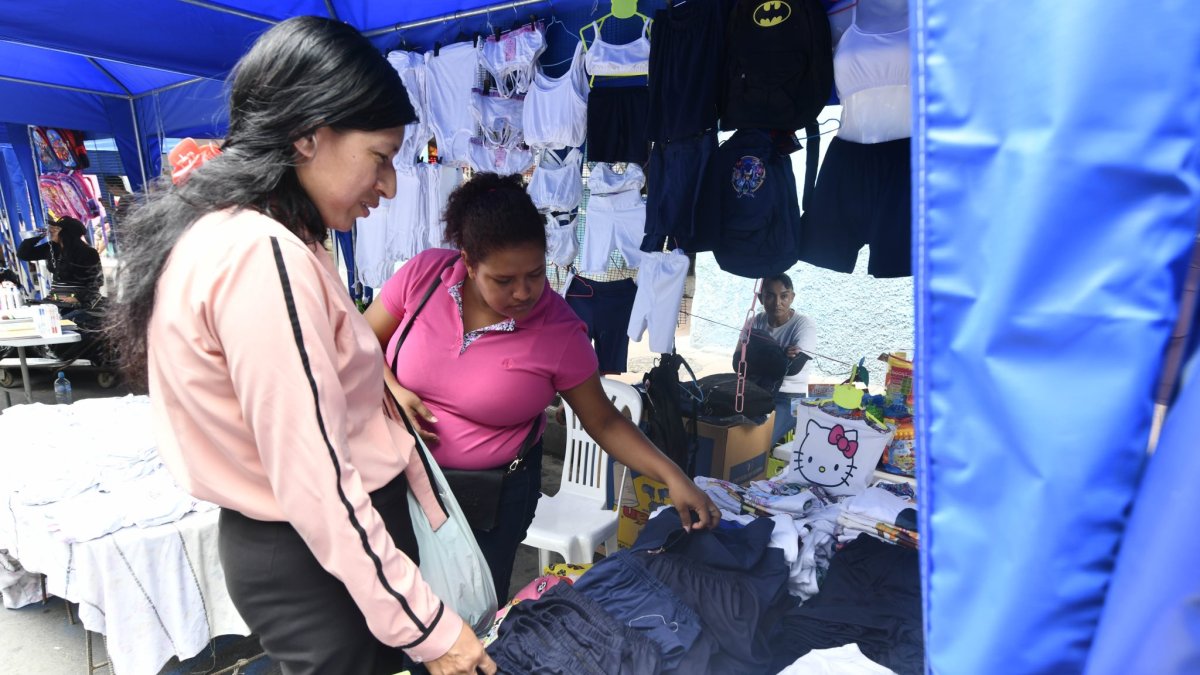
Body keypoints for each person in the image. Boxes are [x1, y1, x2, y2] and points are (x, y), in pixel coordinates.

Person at [106, 17, 494, 675]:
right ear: (310, 135)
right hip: (321, 557)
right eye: (381, 157)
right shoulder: (264, 256)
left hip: (306, 552)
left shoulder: (234, 236)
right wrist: (431, 628)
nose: (391, 185)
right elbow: (317, 482)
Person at [363, 172, 720, 603]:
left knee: (464, 609)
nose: (524, 292)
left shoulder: (560, 331)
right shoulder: (425, 276)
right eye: (504, 280)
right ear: (469, 263)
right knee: (390, 600)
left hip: (487, 501)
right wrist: (392, 389)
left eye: (535, 274)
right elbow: (361, 341)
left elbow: (603, 421)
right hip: (398, 476)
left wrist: (673, 475)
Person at [753, 274, 817, 444]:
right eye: (770, 295)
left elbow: (793, 369)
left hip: (792, 398)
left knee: (759, 441)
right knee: (735, 428)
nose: (777, 302)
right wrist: (780, 354)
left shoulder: (804, 325)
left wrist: (757, 355)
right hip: (758, 391)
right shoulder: (755, 321)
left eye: (784, 296)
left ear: (792, 297)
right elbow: (737, 363)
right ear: (761, 298)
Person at [16, 216, 103, 307]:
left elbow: (97, 281)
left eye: (57, 228)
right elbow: (23, 255)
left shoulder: (88, 252)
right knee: (28, 308)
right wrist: (38, 235)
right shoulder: (53, 247)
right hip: (55, 298)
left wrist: (78, 298)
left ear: (66, 233)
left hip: (76, 299)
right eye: (53, 228)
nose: (52, 230)